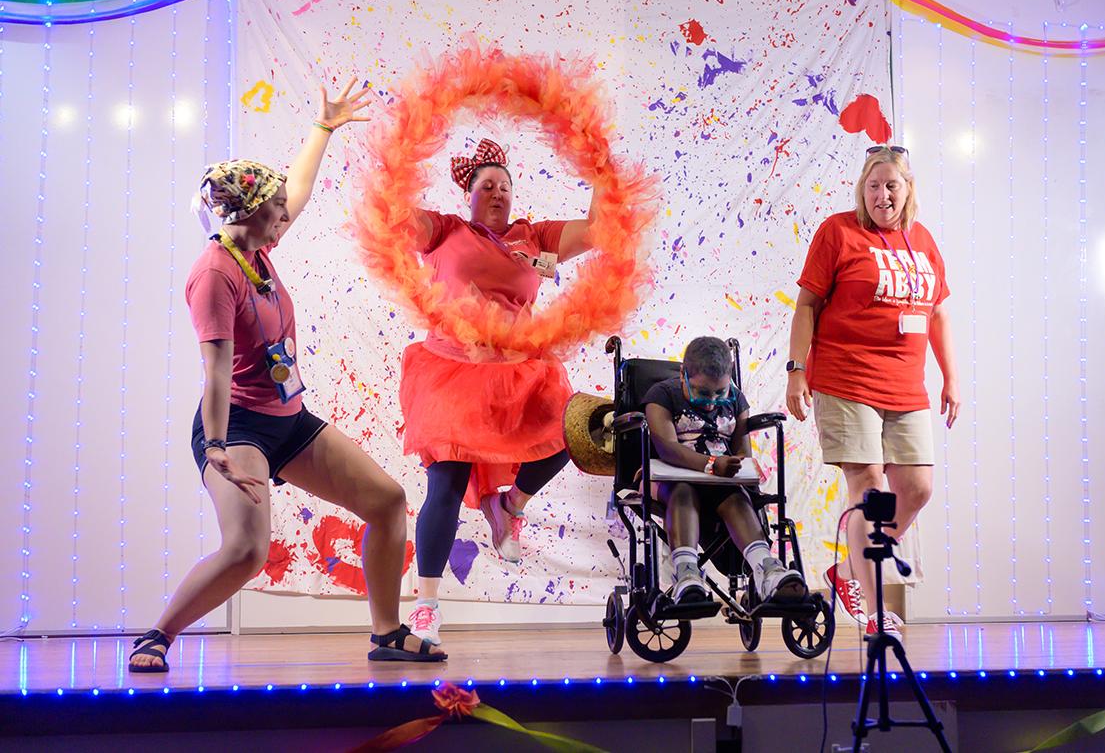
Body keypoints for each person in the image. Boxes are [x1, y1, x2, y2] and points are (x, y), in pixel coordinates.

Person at [129, 80, 445, 672]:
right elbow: (216, 370)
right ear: (248, 212)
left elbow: (296, 187)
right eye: (275, 207)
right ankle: (158, 634)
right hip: (238, 428)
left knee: (387, 501)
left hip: (287, 419)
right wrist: (219, 446)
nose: (285, 214)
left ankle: (387, 633)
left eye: (280, 207)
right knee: (248, 550)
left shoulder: (257, 249)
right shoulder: (216, 275)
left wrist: (322, 128)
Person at [400, 139, 599, 646]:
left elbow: (597, 229)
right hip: (454, 369)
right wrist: (398, 152)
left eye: (505, 185)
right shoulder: (446, 229)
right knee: (444, 483)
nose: (497, 192)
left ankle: (510, 507)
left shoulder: (534, 236)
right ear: (468, 194)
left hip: (517, 369)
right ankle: (425, 606)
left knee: (569, 434)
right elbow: (391, 215)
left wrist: (602, 169)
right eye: (486, 185)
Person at [785, 145, 960, 641]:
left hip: (905, 387)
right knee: (870, 490)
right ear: (863, 189)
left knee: (918, 489)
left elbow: (938, 313)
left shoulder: (921, 239)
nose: (883, 194)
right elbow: (806, 306)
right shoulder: (838, 231)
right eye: (874, 185)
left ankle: (848, 573)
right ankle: (872, 606)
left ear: (908, 189)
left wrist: (951, 377)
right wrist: (797, 370)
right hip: (846, 380)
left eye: (892, 185)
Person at [643, 336, 807, 605]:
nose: (711, 402)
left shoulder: (736, 399)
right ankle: (686, 574)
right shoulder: (662, 395)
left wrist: (736, 470)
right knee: (683, 491)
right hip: (668, 479)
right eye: (702, 393)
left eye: (720, 393)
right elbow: (667, 448)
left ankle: (767, 569)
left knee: (735, 498)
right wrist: (711, 465)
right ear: (683, 374)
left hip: (717, 484)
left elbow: (742, 452)